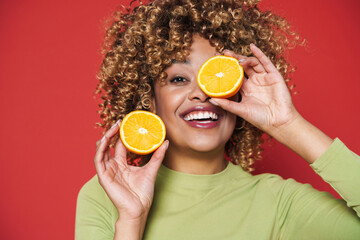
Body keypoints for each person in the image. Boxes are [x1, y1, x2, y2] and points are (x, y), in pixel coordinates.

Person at [75, 0, 360, 239]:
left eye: (216, 78)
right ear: (150, 100)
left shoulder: (277, 203)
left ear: (237, 93)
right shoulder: (109, 195)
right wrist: (131, 221)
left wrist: (288, 124)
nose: (201, 93)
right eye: (178, 78)